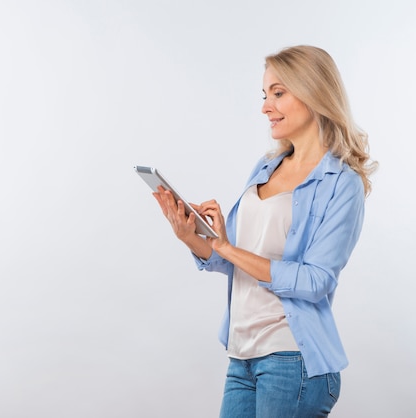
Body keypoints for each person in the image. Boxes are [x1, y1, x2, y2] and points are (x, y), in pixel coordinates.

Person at [153, 45, 377, 417]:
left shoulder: (342, 184)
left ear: (313, 92)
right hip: (242, 355)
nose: (265, 106)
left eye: (278, 93)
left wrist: (227, 247)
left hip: (292, 358)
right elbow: (238, 259)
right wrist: (191, 236)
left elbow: (315, 281)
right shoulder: (266, 166)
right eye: (264, 95)